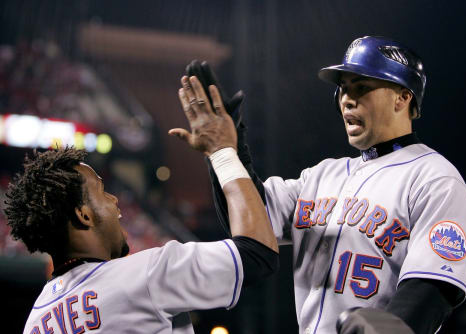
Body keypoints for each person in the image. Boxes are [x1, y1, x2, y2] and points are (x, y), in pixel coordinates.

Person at [188, 36, 466, 333]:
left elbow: (434, 286)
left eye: (361, 87)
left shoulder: (434, 178)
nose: (347, 99)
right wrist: (225, 153)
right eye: (343, 88)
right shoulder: (321, 176)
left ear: (402, 98)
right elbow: (249, 218)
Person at [4, 75, 279, 333]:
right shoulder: (144, 274)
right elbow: (257, 254)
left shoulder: (37, 320)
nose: (114, 201)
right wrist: (223, 151)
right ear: (83, 215)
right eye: (102, 191)